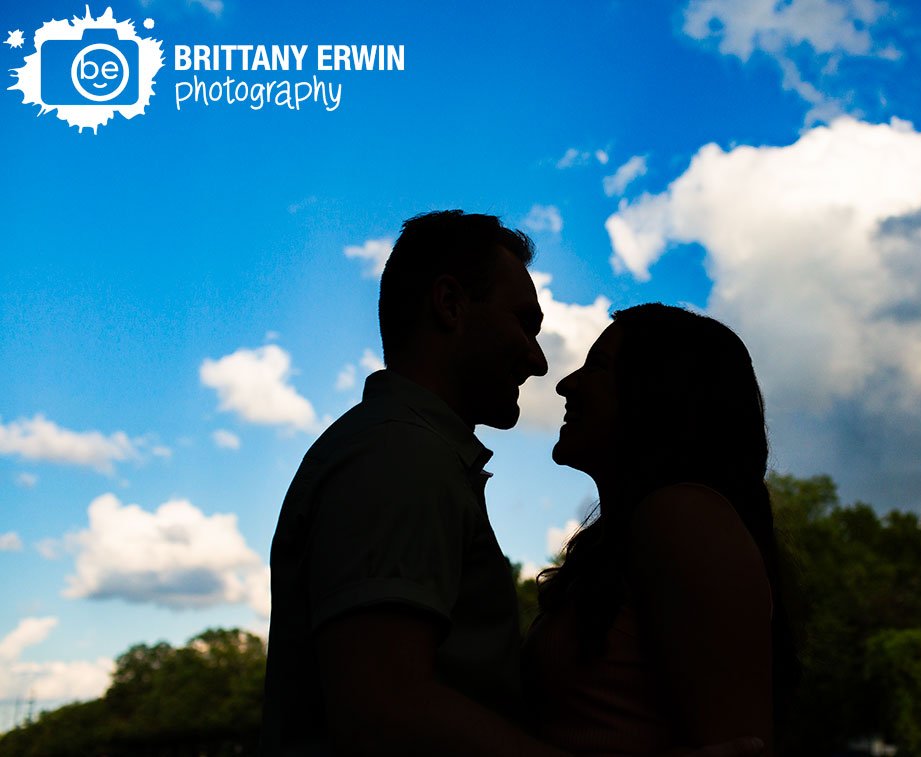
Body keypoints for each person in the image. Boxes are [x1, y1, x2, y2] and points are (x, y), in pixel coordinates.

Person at [260, 212, 765, 757]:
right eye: (524, 324)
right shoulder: (399, 454)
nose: (546, 365)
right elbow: (386, 711)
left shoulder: (405, 455)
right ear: (450, 305)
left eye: (597, 367)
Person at [523, 304, 800, 756]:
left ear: (658, 396)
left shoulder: (683, 517)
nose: (566, 384)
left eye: (599, 367)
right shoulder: (633, 536)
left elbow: (739, 744)